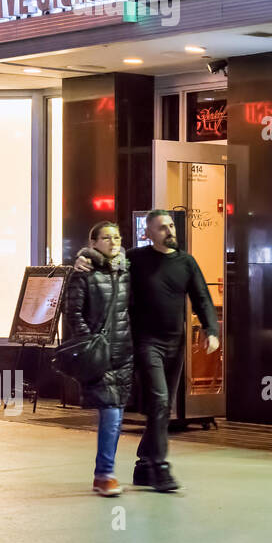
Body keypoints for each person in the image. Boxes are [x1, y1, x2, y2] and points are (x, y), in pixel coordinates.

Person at [77, 210, 219, 492]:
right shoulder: (136, 260)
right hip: (146, 342)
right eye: (162, 227)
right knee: (160, 400)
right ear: (149, 233)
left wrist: (210, 329)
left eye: (171, 226)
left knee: (163, 408)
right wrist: (83, 257)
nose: (170, 231)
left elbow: (201, 296)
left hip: (175, 343)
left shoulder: (186, 262)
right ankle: (159, 466)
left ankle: (144, 464)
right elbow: (105, 260)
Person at [64, 221, 133, 497]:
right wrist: (90, 340)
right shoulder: (83, 273)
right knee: (112, 412)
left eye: (116, 237)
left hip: (124, 353)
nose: (113, 242)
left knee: (116, 413)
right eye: (106, 237)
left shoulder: (127, 270)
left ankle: (103, 474)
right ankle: (105, 474)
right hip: (99, 354)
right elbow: (73, 313)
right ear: (93, 243)